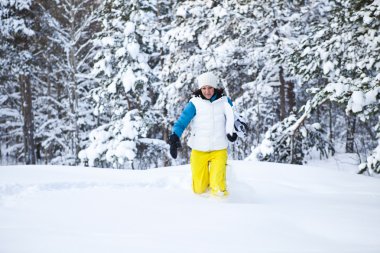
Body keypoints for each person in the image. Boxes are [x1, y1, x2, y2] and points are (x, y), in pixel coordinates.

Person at [168, 72, 239, 197]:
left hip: (219, 148)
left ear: (215, 87)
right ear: (200, 89)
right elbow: (182, 122)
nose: (207, 91)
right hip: (199, 149)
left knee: (218, 187)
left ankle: (224, 206)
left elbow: (233, 118)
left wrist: (232, 131)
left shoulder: (225, 102)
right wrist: (174, 137)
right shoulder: (194, 104)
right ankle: (203, 207)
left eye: (210, 87)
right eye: (204, 88)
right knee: (199, 190)